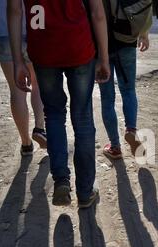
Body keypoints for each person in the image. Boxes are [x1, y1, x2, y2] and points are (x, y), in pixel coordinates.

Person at [8, 0, 111, 208]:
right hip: (79, 48)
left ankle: (61, 180)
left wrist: (18, 60)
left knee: (53, 115)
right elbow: (97, 12)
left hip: (44, 52)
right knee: (82, 119)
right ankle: (85, 191)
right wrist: (104, 57)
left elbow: (14, 10)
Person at [0, 0, 46, 156]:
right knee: (37, 84)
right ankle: (40, 128)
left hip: (3, 32)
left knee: (16, 90)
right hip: (35, 28)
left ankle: (26, 143)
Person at [98, 0, 153, 160]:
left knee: (107, 99)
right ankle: (131, 130)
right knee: (128, 90)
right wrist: (144, 34)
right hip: (126, 39)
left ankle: (115, 147)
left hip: (102, 45)